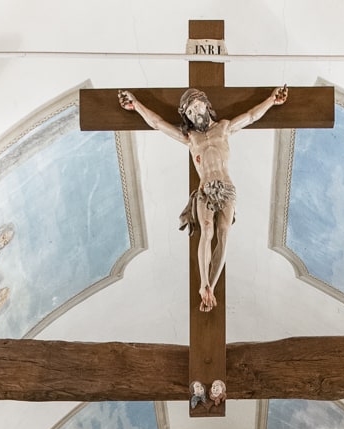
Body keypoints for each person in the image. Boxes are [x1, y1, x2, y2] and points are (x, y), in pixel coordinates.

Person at [118, 85, 288, 313]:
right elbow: (158, 124)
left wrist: (271, 100)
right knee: (207, 231)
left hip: (226, 187)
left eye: (195, 106)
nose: (193, 113)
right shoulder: (191, 138)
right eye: (188, 112)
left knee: (224, 233)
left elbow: (250, 116)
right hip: (205, 189)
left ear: (206, 105)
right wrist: (136, 105)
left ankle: (212, 285)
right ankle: (203, 284)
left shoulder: (224, 128)